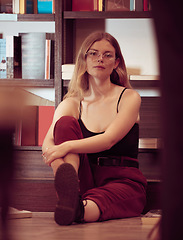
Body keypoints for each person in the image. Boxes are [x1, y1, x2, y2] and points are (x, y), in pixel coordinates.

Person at [42, 31, 147, 225]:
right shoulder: (72, 103)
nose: (100, 58)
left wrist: (66, 147)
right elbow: (48, 142)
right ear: (84, 60)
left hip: (122, 180)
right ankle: (70, 188)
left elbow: (109, 140)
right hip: (85, 177)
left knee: (100, 201)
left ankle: (77, 209)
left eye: (108, 55)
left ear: (116, 63)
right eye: (93, 53)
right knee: (64, 123)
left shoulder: (130, 98)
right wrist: (60, 169)